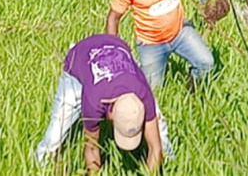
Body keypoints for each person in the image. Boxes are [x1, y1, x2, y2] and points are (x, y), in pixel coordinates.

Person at [33, 33, 170, 172]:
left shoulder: (144, 94)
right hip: (79, 61)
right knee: (56, 131)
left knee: (160, 127)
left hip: (116, 45)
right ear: (109, 114)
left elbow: (155, 148)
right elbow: (91, 147)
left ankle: (170, 161)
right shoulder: (94, 101)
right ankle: (40, 162)